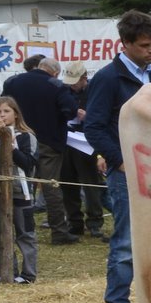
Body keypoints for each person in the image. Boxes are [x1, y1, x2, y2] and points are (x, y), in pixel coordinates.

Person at [83, 11, 151, 303]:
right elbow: (94, 126)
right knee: (125, 243)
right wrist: (119, 160)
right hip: (125, 174)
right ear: (126, 44)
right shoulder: (108, 78)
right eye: (145, 45)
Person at [3, 55, 79, 245]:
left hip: (17, 140)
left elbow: (1, 107)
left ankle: (9, 230)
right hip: (48, 143)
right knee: (50, 186)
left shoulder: (13, 82)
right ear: (55, 72)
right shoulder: (56, 85)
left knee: (15, 185)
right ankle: (59, 232)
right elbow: (70, 110)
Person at [56, 61, 106, 241]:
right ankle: (74, 222)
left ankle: (95, 222)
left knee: (90, 183)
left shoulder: (95, 91)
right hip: (67, 140)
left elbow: (103, 115)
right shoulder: (63, 90)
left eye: (75, 81)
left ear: (84, 78)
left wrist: (88, 116)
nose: (72, 85)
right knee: (68, 183)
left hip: (88, 142)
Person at [0, 95, 39, 284]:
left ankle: (28, 274)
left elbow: (29, 163)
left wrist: (11, 145)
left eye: (6, 111)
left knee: (25, 233)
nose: (2, 115)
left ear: (16, 115)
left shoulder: (27, 136)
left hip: (21, 191)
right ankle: (6, 270)